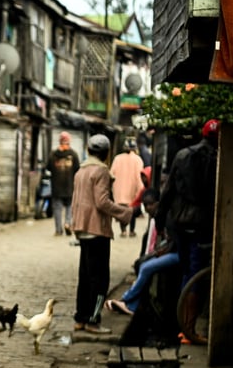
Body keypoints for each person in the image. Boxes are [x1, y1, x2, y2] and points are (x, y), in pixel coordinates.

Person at [71, 134, 133, 334]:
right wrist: (125, 213)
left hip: (83, 229)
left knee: (85, 276)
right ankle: (93, 320)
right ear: (106, 154)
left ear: (88, 150)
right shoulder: (101, 171)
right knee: (100, 280)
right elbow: (102, 202)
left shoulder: (81, 170)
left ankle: (81, 317)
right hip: (97, 230)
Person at [160, 119, 219, 289]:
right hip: (202, 225)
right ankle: (187, 314)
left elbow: (167, 192)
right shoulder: (219, 159)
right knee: (194, 272)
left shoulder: (182, 155)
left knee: (187, 269)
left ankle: (183, 311)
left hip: (180, 223)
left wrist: (160, 221)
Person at [104, 186, 178, 315]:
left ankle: (126, 299)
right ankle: (132, 305)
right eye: (145, 205)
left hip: (178, 254)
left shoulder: (168, 218)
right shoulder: (161, 217)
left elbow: (174, 243)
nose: (148, 208)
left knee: (146, 267)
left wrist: (157, 253)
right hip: (170, 251)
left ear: (157, 204)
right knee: (143, 264)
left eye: (150, 205)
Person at [45, 131, 79, 236]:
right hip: (69, 187)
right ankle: (68, 223)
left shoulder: (53, 154)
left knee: (57, 208)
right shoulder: (73, 154)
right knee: (70, 207)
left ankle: (58, 230)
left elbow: (48, 168)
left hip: (57, 187)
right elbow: (77, 169)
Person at [111, 139, 144, 237]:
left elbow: (111, 174)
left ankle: (123, 230)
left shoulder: (117, 159)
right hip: (132, 191)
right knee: (132, 211)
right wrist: (140, 190)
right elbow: (139, 176)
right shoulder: (138, 160)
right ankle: (132, 231)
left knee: (122, 211)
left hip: (120, 191)